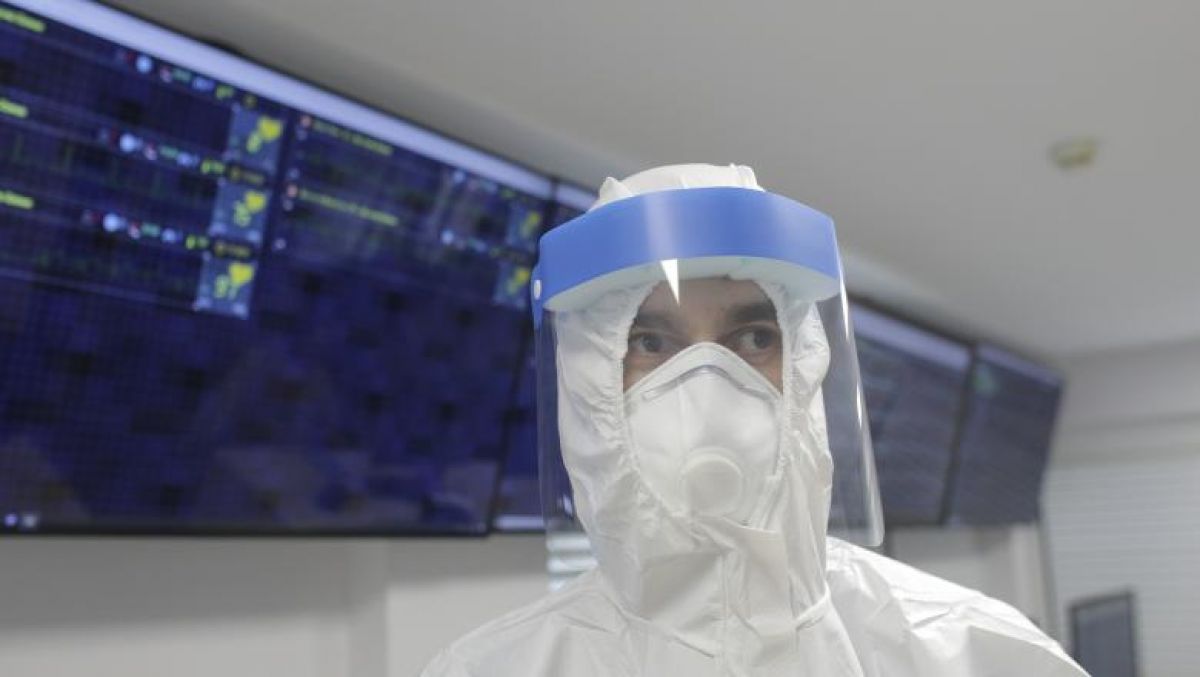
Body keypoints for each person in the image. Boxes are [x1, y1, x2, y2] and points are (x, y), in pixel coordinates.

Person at [422, 164, 1088, 676]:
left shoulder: (972, 653)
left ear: (806, 366)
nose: (709, 385)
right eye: (651, 343)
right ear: (587, 382)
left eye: (753, 339)